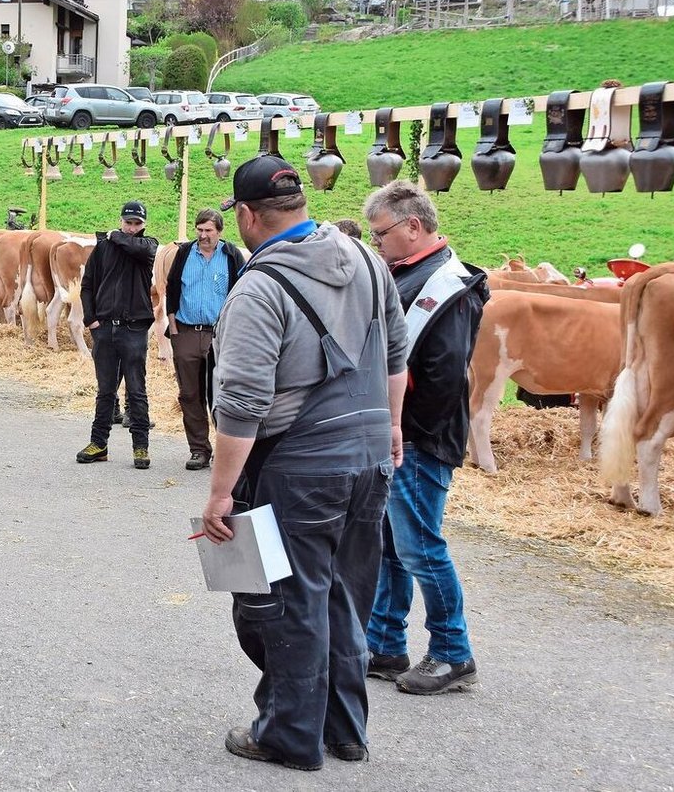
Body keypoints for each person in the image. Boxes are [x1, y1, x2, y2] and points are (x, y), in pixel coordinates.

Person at [200, 155, 408, 771]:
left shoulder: (259, 288)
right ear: (300, 203)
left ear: (244, 214)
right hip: (370, 459)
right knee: (345, 596)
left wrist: (220, 494)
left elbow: (240, 405)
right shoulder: (369, 261)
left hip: (301, 466)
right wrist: (392, 427)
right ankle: (345, 730)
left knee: (293, 600)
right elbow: (396, 352)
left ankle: (289, 735)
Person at [362, 181, 488, 695]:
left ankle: (453, 653)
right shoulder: (413, 272)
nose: (377, 244)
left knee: (420, 548)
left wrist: (407, 433)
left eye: (382, 233)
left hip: (419, 437)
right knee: (391, 546)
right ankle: (386, 644)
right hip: (402, 433)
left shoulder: (446, 285)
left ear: (413, 226)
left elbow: (443, 376)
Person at [76, 200, 158, 469]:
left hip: (134, 327)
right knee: (105, 391)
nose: (132, 228)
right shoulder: (103, 249)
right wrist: (91, 320)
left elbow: (135, 247)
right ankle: (99, 444)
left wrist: (115, 235)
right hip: (105, 328)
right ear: (121, 220)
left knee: (136, 390)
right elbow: (87, 285)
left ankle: (141, 447)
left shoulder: (148, 247)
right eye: (128, 223)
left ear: (144, 225)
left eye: (137, 224)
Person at [164, 208, 245, 471]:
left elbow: (241, 291)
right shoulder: (185, 253)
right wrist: (174, 327)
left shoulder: (231, 255)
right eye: (199, 230)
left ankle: (226, 452)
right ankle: (199, 449)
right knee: (190, 394)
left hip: (219, 334)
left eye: (209, 230)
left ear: (219, 232)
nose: (203, 235)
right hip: (187, 332)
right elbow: (172, 287)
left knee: (221, 395)